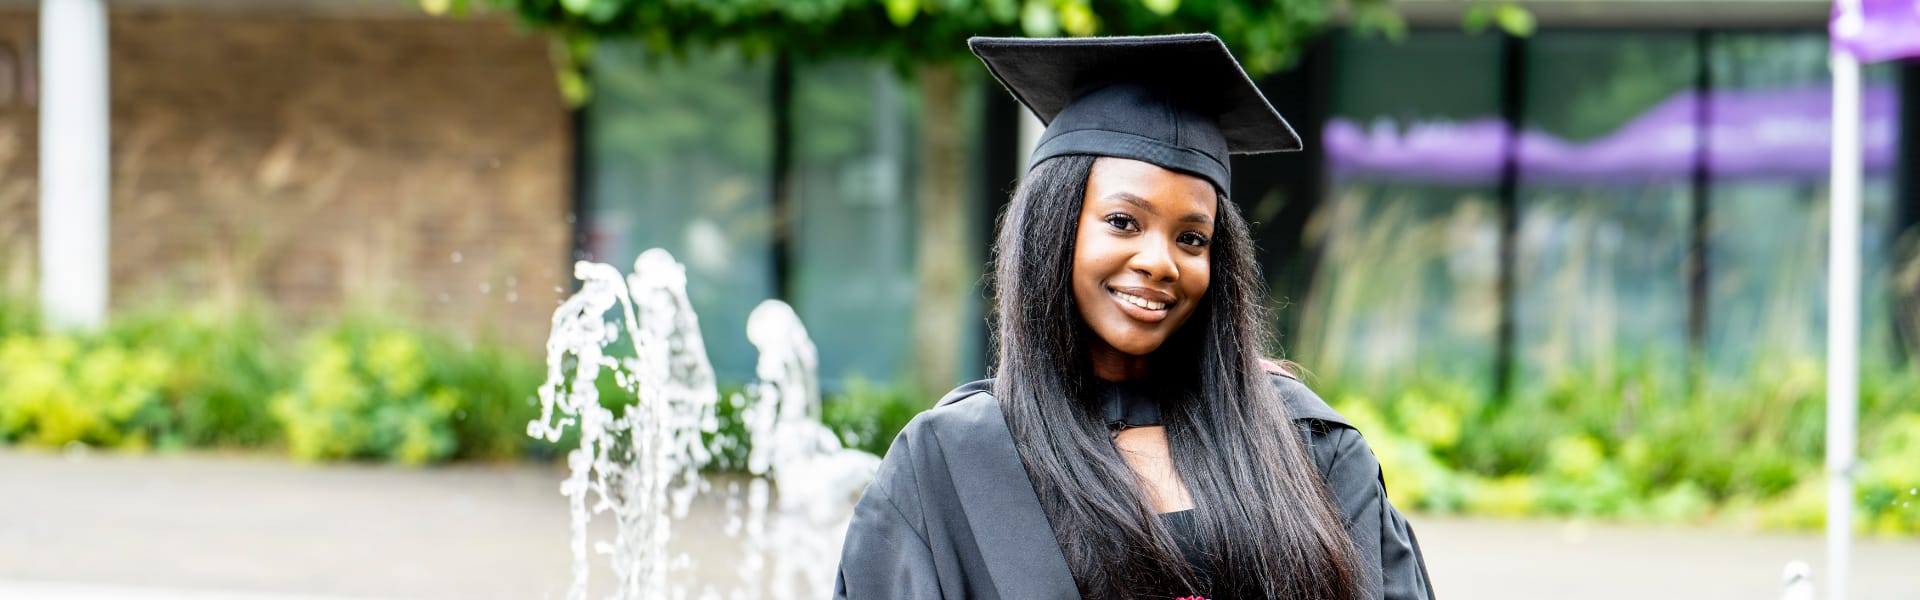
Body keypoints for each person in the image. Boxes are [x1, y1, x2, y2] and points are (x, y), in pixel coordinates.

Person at [833, 33, 1433, 600]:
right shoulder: (953, 460)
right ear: (1054, 228)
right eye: (1123, 221)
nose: (1160, 262)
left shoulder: (1307, 445)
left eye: (1193, 239)